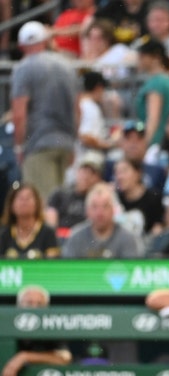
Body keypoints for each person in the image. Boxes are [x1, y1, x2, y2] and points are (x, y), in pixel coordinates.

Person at [11, 21, 78, 203]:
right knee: (60, 206)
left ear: (22, 46)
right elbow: (76, 110)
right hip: (64, 143)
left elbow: (19, 114)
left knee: (42, 206)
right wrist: (73, 142)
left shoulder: (23, 68)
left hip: (39, 143)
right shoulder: (68, 66)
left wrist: (19, 146)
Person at [1, 285, 72, 376]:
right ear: (18, 306)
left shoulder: (52, 328)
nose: (34, 308)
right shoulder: (5, 325)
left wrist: (25, 357)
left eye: (39, 304)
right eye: (29, 303)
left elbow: (64, 359)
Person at [62, 183, 143, 258]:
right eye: (94, 207)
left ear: (113, 210)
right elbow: (68, 270)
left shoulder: (127, 239)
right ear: (87, 211)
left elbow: (130, 270)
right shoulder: (76, 237)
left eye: (105, 206)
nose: (99, 213)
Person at [134, 38, 169, 147]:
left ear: (156, 57)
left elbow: (153, 118)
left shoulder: (156, 83)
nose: (139, 60)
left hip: (156, 141)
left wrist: (145, 144)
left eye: (142, 56)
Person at [45, 153, 105, 238]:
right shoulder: (59, 193)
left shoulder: (99, 200)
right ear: (77, 172)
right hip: (60, 238)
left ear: (99, 178)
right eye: (84, 170)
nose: (86, 176)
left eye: (92, 173)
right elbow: (50, 223)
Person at [0, 184, 59, 259]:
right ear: (11, 205)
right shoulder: (3, 235)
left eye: (28, 198)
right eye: (20, 198)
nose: (24, 202)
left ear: (37, 204)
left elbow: (52, 265)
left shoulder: (48, 233)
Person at [113, 158, 164, 236]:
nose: (120, 177)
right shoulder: (114, 198)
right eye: (117, 173)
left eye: (124, 171)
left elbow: (158, 229)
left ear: (138, 173)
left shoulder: (153, 197)